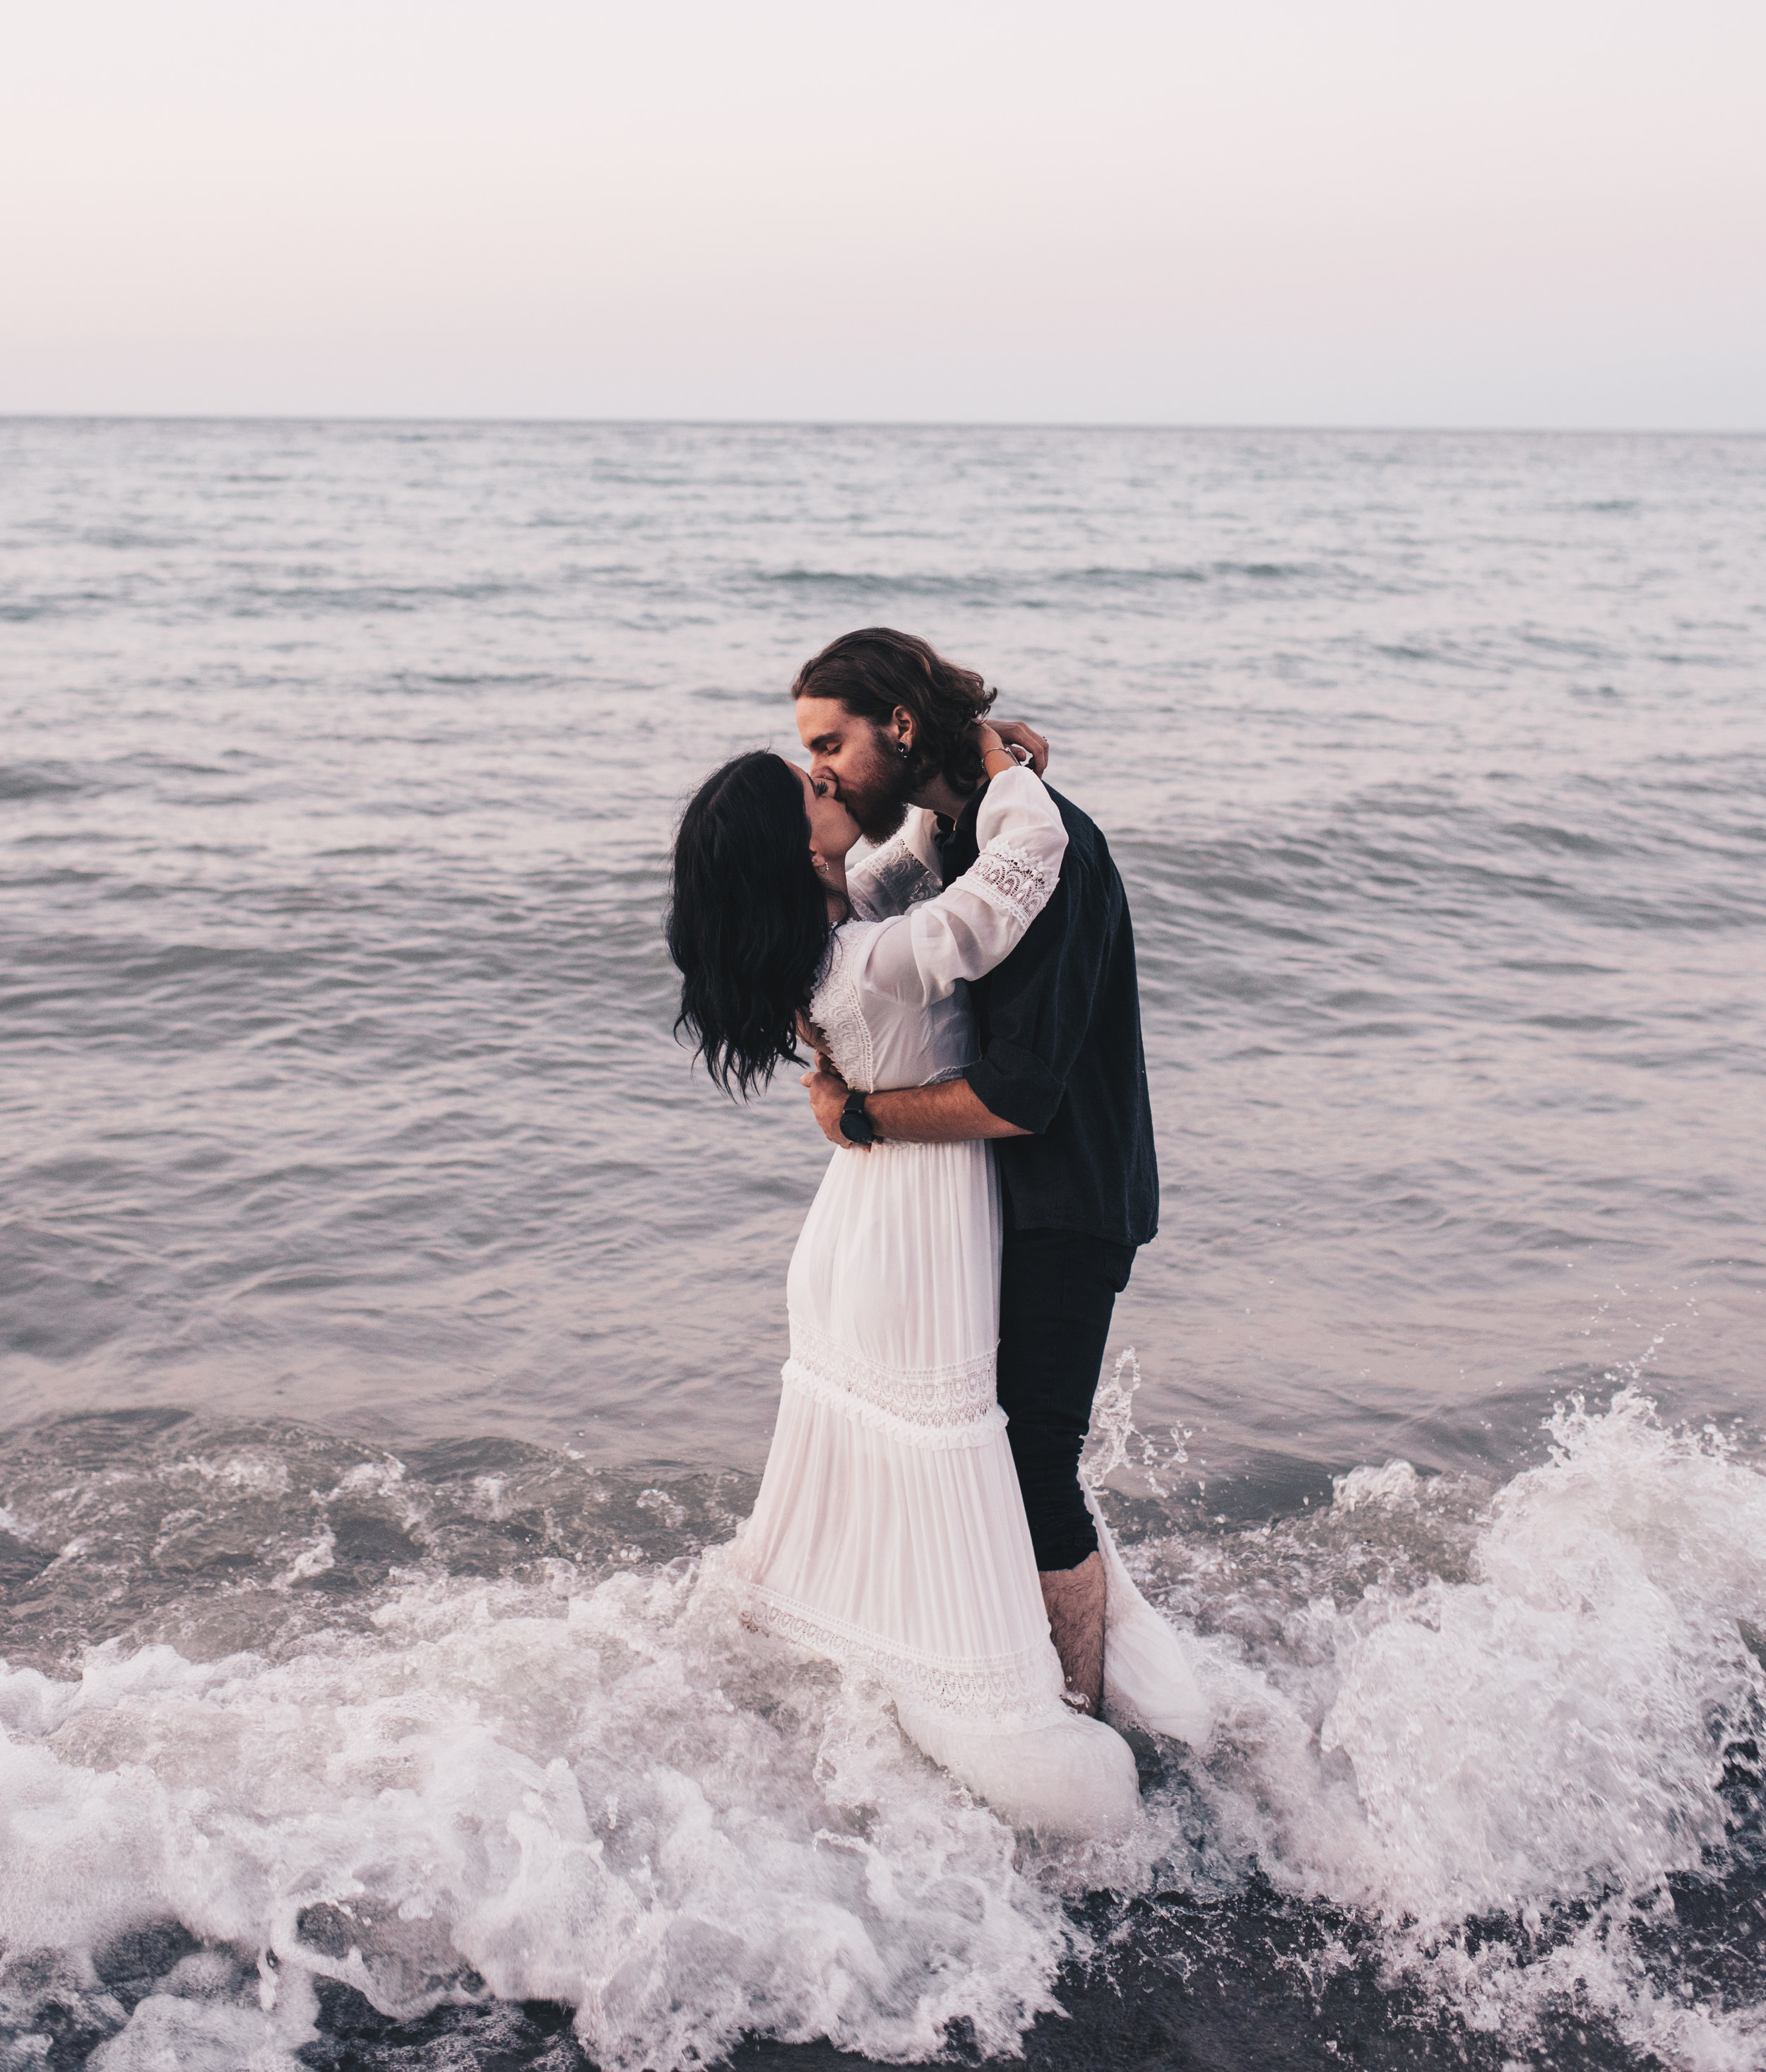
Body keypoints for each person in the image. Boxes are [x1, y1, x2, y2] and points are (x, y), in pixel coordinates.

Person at [669, 723, 1166, 1835]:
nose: (829, 780)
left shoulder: (830, 941)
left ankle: (897, 1641)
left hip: (861, 1229)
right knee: (966, 1452)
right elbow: (1016, 876)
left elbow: (910, 852)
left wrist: (945, 781)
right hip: (920, 1230)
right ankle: (1041, 1705)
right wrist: (1005, 772)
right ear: (797, 854)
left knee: (920, 1458)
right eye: (809, 784)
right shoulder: (880, 957)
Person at [792, 627, 1195, 1736]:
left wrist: (864, 1114)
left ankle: (1080, 1711)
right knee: (987, 1453)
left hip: (1067, 1196)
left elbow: (1019, 1097)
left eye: (831, 742)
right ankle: (993, 1680)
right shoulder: (958, 829)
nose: (820, 769)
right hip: (997, 1203)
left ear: (902, 726)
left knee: (1033, 1460)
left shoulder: (1044, 851)